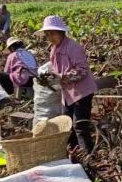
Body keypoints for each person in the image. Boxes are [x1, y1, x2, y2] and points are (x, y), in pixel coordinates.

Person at [41, 15, 97, 154]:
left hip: (81, 92)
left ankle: (87, 155)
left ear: (61, 32)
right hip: (67, 94)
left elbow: (82, 70)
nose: (50, 37)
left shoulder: (73, 47)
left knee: (79, 125)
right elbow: (56, 71)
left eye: (52, 33)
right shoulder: (54, 49)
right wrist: (49, 77)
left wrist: (64, 77)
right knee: (67, 125)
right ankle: (74, 152)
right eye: (47, 34)